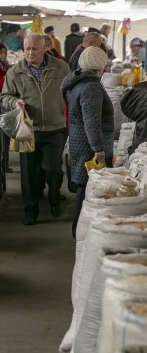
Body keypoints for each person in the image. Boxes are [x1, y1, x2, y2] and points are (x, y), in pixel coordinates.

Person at [1, 34, 71, 225]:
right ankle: (31, 211)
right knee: (29, 173)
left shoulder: (61, 68)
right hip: (28, 128)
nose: (30, 53)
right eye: (27, 49)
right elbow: (4, 96)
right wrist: (14, 101)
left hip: (55, 127)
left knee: (53, 169)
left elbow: (70, 92)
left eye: (35, 49)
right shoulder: (14, 72)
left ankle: (55, 199)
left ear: (45, 49)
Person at [61, 47, 113, 238]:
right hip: (87, 144)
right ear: (101, 67)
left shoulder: (77, 81)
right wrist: (98, 149)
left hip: (78, 139)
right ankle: (80, 233)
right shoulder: (91, 86)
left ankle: (79, 231)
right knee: (87, 189)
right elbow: (91, 121)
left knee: (84, 187)